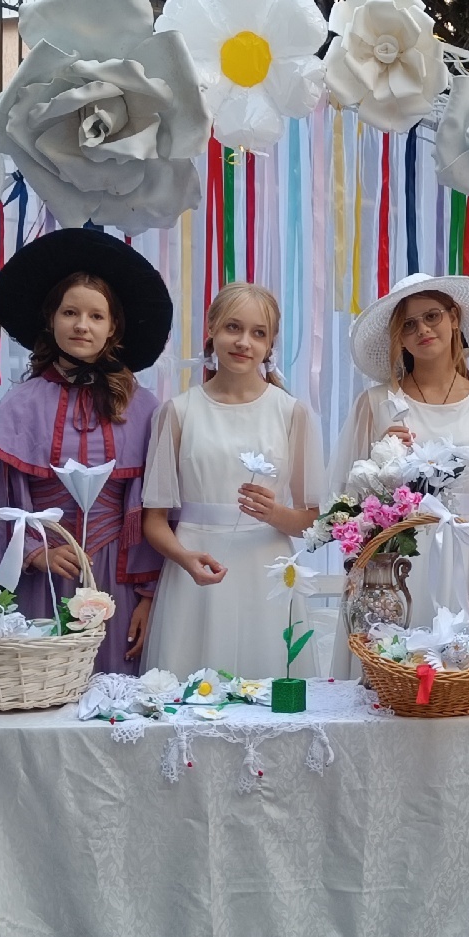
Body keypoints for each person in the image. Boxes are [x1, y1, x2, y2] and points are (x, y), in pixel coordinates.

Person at [0, 228, 169, 672]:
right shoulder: (20, 404)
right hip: (46, 573)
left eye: (96, 316)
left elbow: (157, 507)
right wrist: (35, 552)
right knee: (44, 682)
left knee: (115, 686)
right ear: (51, 319)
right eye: (70, 312)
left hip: (117, 576)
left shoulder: (143, 407)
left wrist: (150, 597)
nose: (81, 325)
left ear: (113, 328)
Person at [337, 274, 469, 631]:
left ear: (454, 318)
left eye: (432, 316)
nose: (423, 330)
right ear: (398, 337)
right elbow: (348, 508)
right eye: (408, 324)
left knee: (451, 663)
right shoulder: (376, 403)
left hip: (458, 565)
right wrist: (380, 459)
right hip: (390, 567)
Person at [142, 282, 319, 679]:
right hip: (195, 571)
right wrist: (185, 558)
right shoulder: (178, 412)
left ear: (270, 344)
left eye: (258, 333)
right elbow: (154, 520)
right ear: (212, 330)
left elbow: (313, 519)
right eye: (233, 327)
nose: (243, 342)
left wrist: (275, 514)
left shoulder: (291, 413)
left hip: (266, 570)